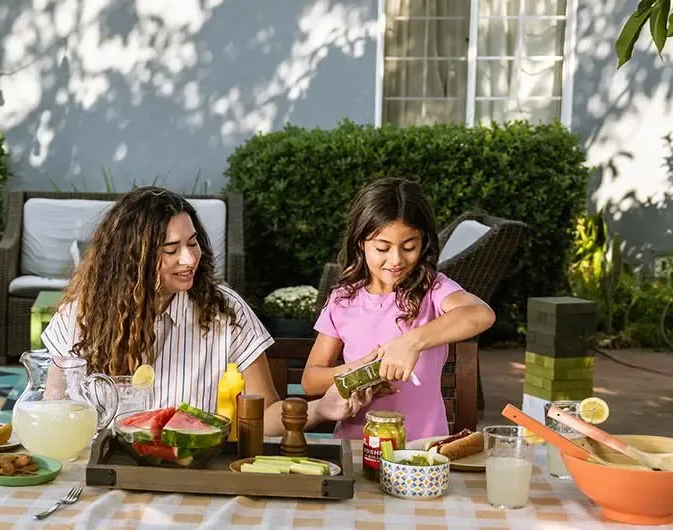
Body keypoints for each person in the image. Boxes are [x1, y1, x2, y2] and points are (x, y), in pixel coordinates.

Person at [39, 187, 374, 437]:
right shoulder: (81, 313)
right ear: (130, 259)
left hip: (196, 477)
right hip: (105, 473)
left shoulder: (225, 311)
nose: (189, 259)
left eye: (193, 242)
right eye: (171, 249)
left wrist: (321, 409)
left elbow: (266, 414)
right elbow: (54, 406)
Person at [300, 177, 496, 441]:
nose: (396, 260)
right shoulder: (342, 300)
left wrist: (409, 344)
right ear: (361, 243)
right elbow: (311, 380)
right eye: (382, 248)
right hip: (356, 447)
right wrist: (362, 373)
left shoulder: (433, 290)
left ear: (423, 242)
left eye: (409, 247)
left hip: (423, 449)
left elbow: (481, 314)